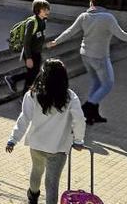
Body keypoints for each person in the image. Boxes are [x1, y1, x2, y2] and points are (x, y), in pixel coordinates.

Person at [48, 0, 127, 124]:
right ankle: (87, 108)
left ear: (92, 4)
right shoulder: (107, 18)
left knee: (96, 83)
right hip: (100, 56)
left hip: (85, 54)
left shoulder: (84, 16)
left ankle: (92, 115)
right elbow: (121, 34)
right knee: (107, 84)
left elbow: (70, 31)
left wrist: (56, 41)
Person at [6, 59, 86, 204]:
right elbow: (79, 119)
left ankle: (32, 196)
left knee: (36, 171)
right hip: (58, 148)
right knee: (52, 184)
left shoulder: (32, 94)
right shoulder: (70, 96)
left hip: (36, 144)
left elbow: (24, 118)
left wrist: (13, 139)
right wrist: (79, 141)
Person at [5, 0, 51, 94]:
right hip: (30, 53)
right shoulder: (32, 22)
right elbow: (26, 42)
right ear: (38, 10)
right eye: (45, 9)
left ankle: (14, 80)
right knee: (32, 74)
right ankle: (21, 90)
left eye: (48, 9)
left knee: (33, 74)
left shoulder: (43, 21)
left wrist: (46, 44)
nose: (47, 12)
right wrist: (29, 58)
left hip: (37, 52)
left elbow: (40, 37)